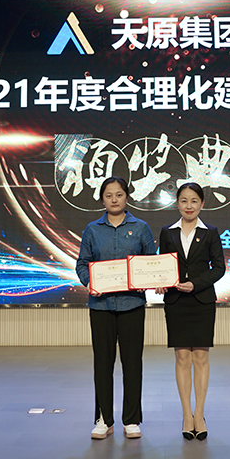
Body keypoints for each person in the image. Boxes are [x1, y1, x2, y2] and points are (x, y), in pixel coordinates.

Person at [76, 176, 156, 440]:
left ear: (126, 197)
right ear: (102, 199)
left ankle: (131, 420)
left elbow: (151, 263)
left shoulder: (141, 227)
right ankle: (104, 419)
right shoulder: (92, 230)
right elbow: (82, 263)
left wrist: (151, 279)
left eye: (119, 194)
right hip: (101, 306)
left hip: (132, 304)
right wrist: (90, 282)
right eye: (109, 195)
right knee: (102, 364)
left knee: (132, 364)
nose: (114, 199)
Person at [157, 182, 225, 441]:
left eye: (194, 201)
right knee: (182, 358)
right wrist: (161, 281)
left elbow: (219, 267)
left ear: (202, 204)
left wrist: (196, 284)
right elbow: (163, 265)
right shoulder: (167, 232)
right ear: (177, 203)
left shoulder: (210, 232)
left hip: (201, 301)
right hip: (176, 302)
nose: (189, 206)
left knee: (201, 359)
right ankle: (187, 415)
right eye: (184, 200)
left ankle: (200, 415)